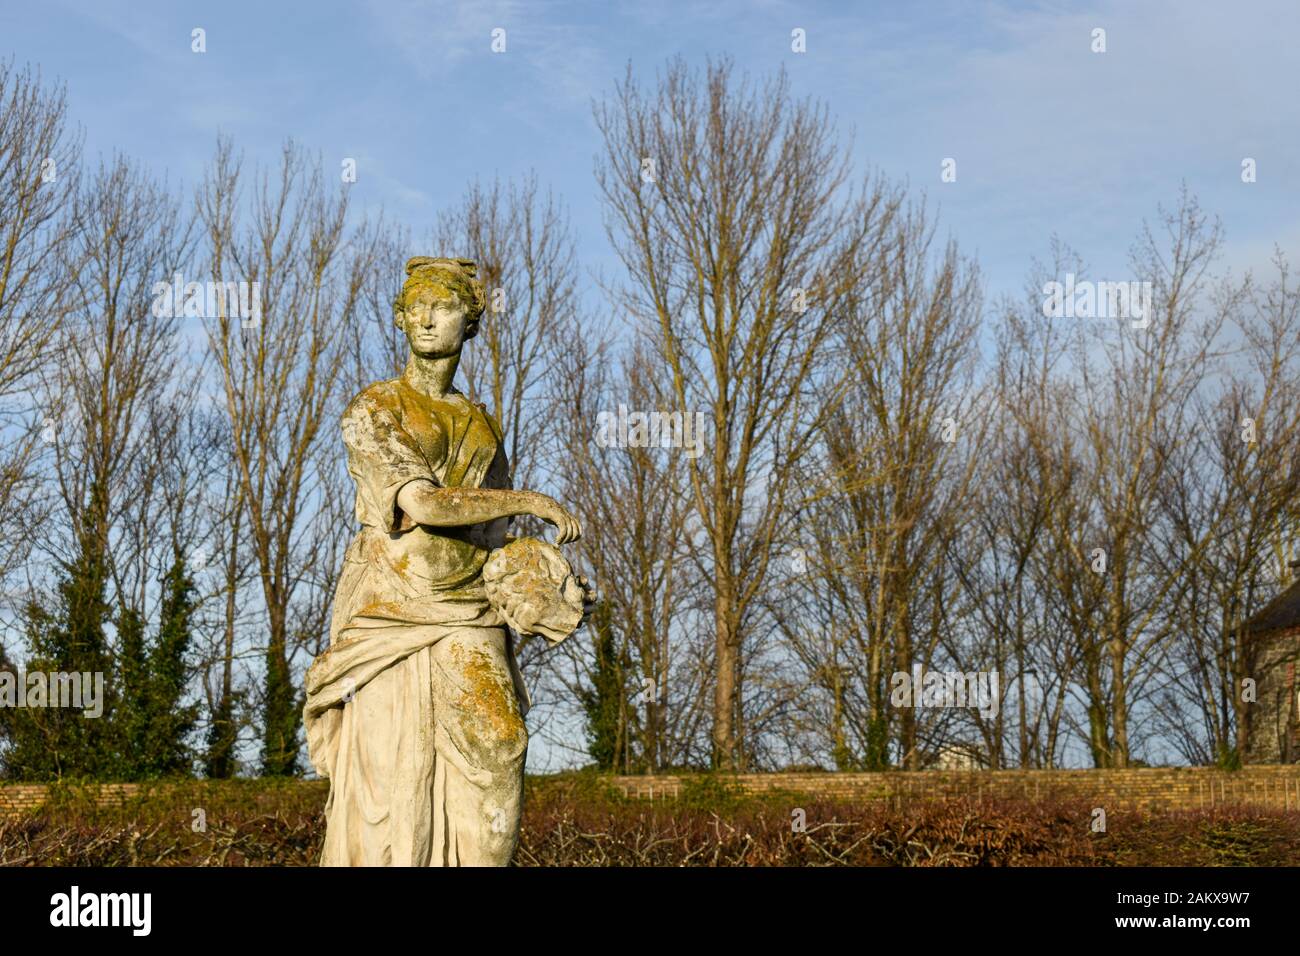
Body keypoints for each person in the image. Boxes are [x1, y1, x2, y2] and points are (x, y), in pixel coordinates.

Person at [304, 256, 589, 866]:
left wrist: (546, 582)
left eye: (445, 307)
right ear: (402, 319)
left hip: (472, 611)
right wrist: (531, 499)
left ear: (471, 321)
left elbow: (493, 533)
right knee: (392, 777)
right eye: (417, 308)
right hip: (392, 611)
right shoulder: (374, 409)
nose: (428, 319)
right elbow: (425, 504)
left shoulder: (481, 423)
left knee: (501, 749)